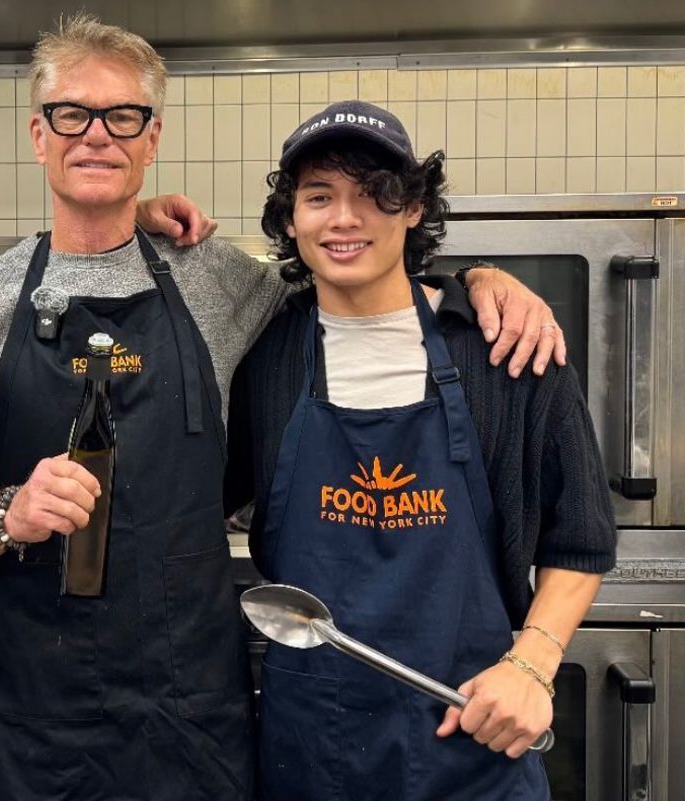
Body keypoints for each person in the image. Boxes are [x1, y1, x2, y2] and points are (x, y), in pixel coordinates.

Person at [0, 15, 564, 801]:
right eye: (72, 114)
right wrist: (9, 512)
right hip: (33, 703)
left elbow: (361, 275)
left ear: (151, 139)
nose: (96, 135)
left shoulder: (220, 281)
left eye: (122, 117)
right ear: (38, 134)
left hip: (191, 698)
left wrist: (481, 282)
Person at [224, 101, 617, 801]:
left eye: (377, 194)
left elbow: (582, 537)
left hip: (472, 737)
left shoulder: (503, 349)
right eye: (320, 196)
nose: (346, 219)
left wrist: (532, 665)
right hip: (313, 750)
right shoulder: (264, 358)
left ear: (413, 210)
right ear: (290, 220)